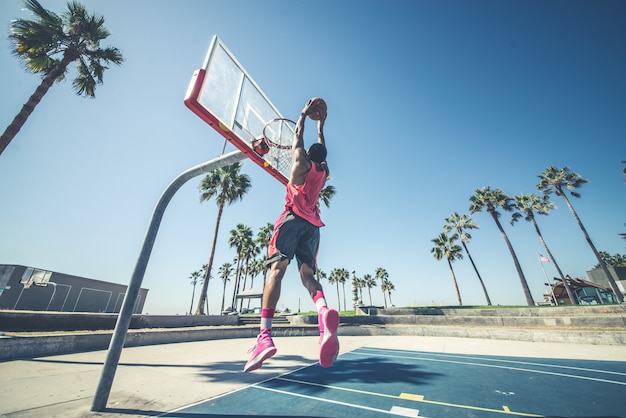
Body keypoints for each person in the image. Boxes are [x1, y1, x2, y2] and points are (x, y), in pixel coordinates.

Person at [244, 98, 339, 372]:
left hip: (291, 219)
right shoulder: (323, 171)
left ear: (308, 155)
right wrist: (321, 125)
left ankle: (264, 337)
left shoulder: (301, 164)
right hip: (313, 227)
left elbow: (297, 135)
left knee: (276, 272)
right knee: (308, 276)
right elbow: (323, 150)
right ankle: (323, 315)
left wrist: (302, 114)